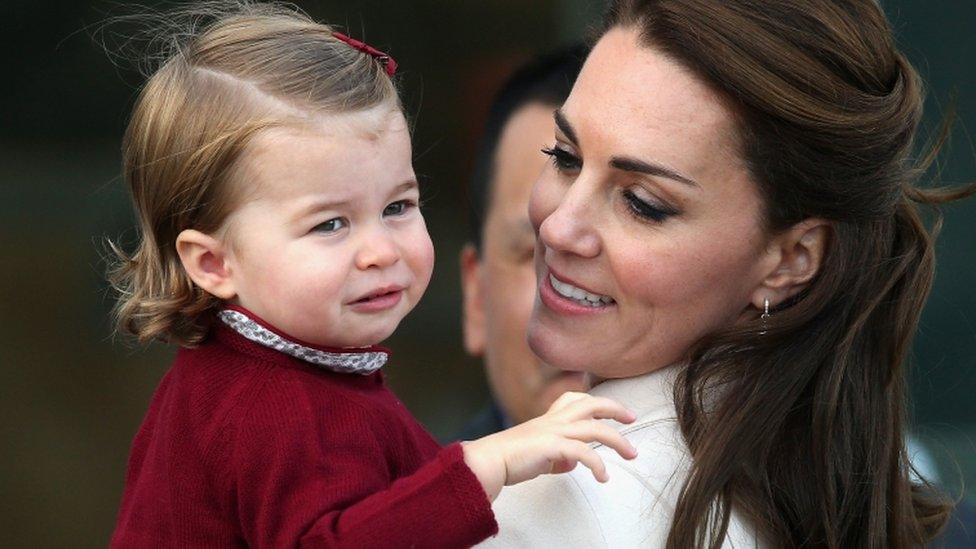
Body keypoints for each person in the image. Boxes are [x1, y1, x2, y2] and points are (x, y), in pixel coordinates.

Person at [105, 4, 638, 547]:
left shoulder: (285, 373)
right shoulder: (271, 407)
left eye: (398, 206)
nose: (380, 251)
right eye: (331, 223)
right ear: (214, 264)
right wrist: (483, 466)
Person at [480, 0, 975, 547]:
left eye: (643, 203)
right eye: (565, 155)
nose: (556, 228)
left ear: (792, 259)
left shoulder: (555, 504)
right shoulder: (823, 486)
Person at [459, 46, 588, 439]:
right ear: (476, 296)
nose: (579, 295)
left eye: (644, 208)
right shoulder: (404, 500)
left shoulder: (767, 497)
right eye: (537, 251)